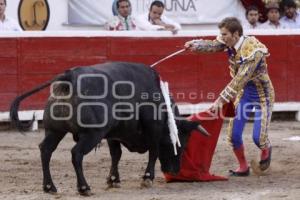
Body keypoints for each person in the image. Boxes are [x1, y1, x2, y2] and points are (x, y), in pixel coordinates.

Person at [184, 17, 274, 176]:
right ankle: (243, 167)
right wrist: (194, 45)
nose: (222, 37)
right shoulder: (229, 41)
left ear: (236, 34)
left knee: (258, 138)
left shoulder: (254, 51)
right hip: (244, 93)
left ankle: (266, 148)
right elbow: (213, 45)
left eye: (225, 34)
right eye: (222, 34)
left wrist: (221, 100)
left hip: (262, 95)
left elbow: (240, 79)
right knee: (234, 135)